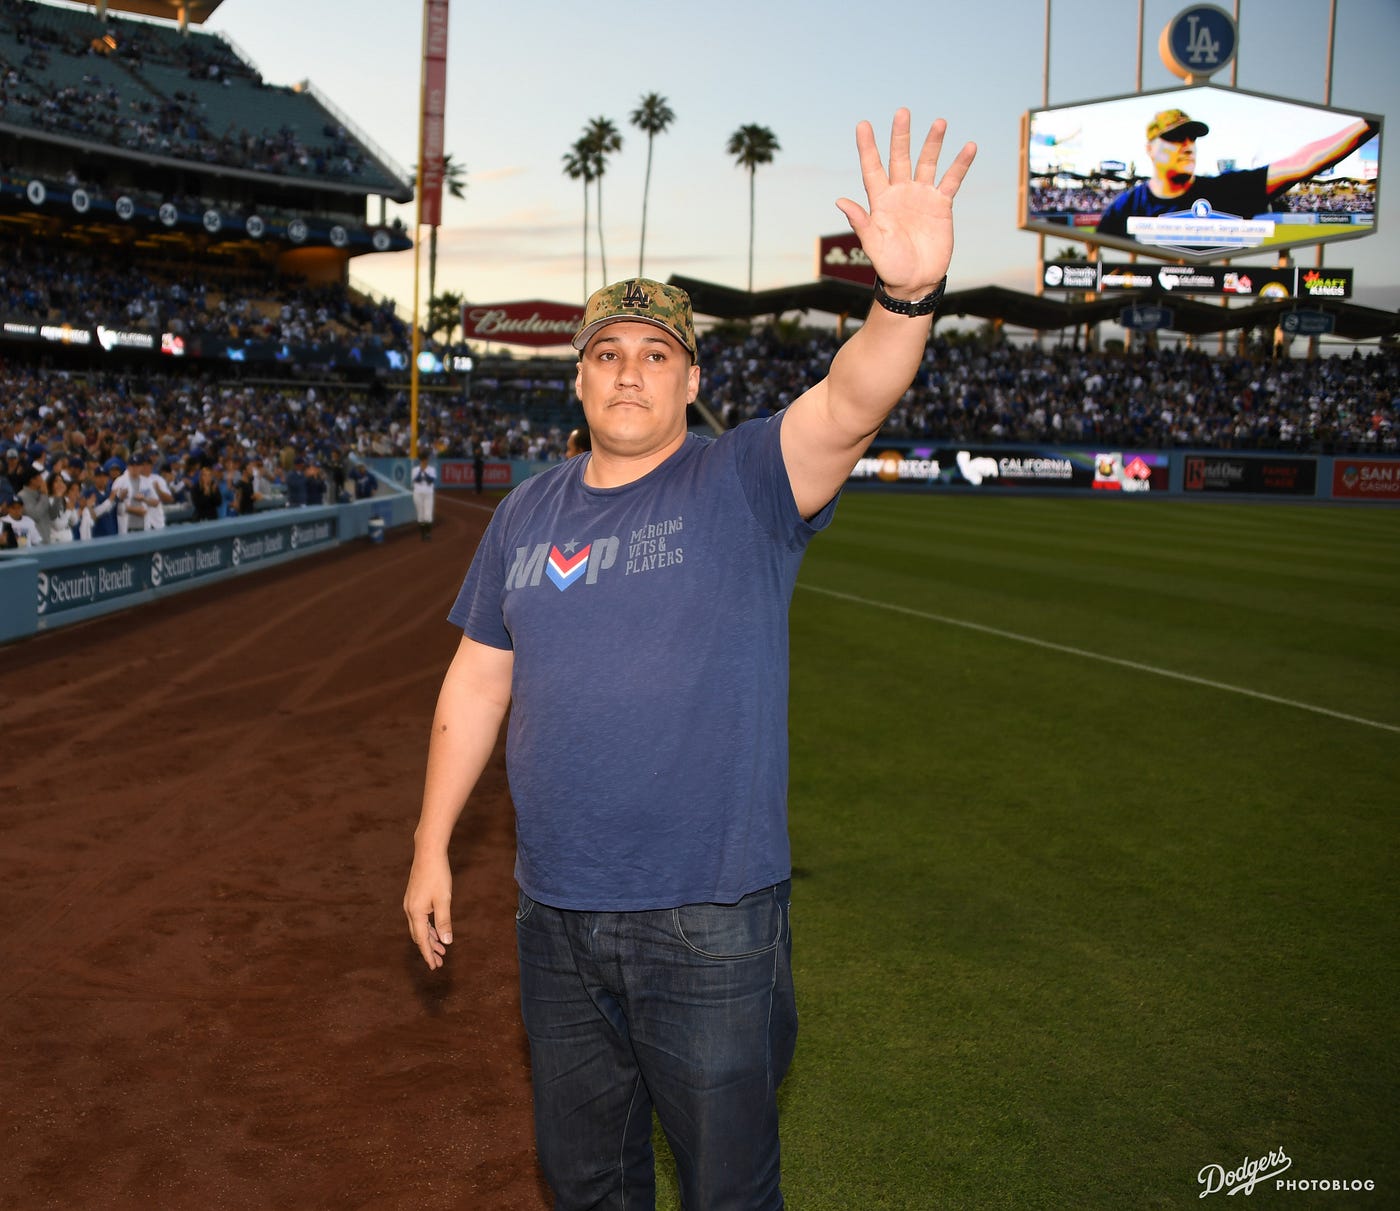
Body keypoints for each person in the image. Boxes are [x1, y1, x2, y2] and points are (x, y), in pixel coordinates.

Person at [403, 109, 976, 1210]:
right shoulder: (524, 514)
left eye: (654, 354)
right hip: (552, 915)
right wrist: (431, 845)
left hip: (708, 923)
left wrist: (902, 300)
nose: (628, 373)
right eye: (606, 355)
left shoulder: (747, 478)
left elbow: (850, 402)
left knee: (725, 1189)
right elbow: (476, 679)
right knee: (584, 1182)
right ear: (577, 380)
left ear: (688, 379)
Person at [1096, 107, 1376, 239]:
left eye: (1191, 138)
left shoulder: (1225, 190)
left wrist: (1368, 125)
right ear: (1150, 149)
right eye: (1175, 138)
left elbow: (1301, 163)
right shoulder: (1124, 208)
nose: (1187, 147)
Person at [411, 452, 436, 541]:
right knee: (421, 514)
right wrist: (421, 471)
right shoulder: (415, 469)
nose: (425, 461)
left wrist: (424, 472)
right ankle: (423, 534)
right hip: (418, 493)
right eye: (423, 459)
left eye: (426, 459)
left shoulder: (431, 469)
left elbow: (430, 480)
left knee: (428, 515)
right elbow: (416, 479)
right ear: (421, 460)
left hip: (428, 493)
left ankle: (428, 534)